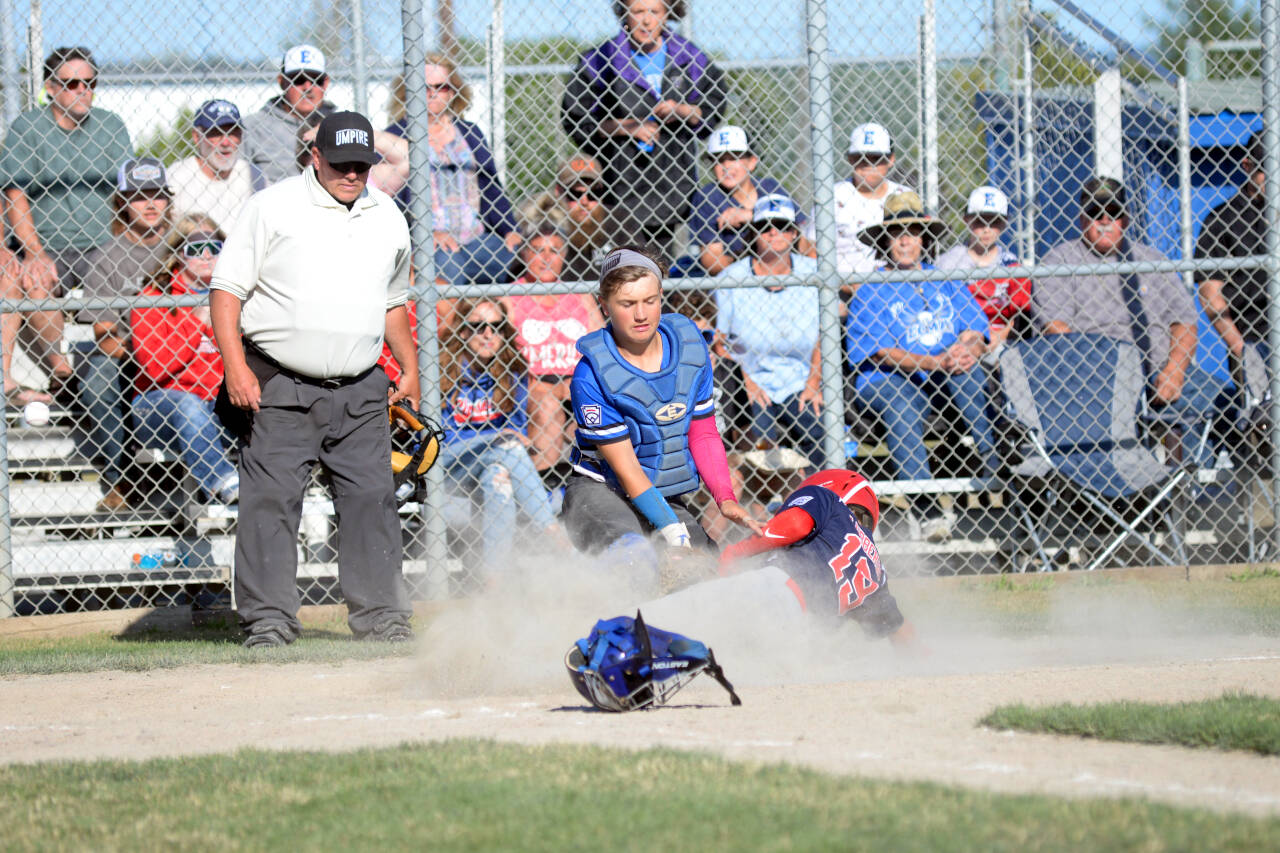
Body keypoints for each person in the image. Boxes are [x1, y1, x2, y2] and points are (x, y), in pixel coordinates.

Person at [210, 111, 418, 648]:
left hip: (360, 385)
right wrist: (235, 368)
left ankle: (382, 618)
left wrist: (410, 364)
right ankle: (269, 622)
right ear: (316, 156)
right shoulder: (272, 207)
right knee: (271, 504)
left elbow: (393, 300)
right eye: (342, 163)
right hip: (280, 382)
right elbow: (226, 292)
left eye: (362, 164)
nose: (353, 173)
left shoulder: (388, 214)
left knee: (373, 500)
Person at [563, 245, 762, 592]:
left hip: (662, 495)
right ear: (604, 304)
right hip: (600, 491)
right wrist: (674, 533)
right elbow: (627, 470)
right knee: (635, 559)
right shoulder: (591, 374)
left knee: (704, 575)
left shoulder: (688, 347)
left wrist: (725, 499)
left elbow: (702, 434)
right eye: (627, 304)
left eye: (650, 300)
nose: (641, 314)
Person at [848, 191, 994, 542]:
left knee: (969, 370)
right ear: (885, 239)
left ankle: (993, 458)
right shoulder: (872, 287)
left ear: (923, 237)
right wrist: (936, 361)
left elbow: (977, 328)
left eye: (913, 231)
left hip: (944, 375)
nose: (905, 240)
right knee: (901, 401)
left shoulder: (943, 278)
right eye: (897, 232)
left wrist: (965, 348)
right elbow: (879, 351)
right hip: (888, 379)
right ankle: (927, 510)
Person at [641, 469, 915, 647]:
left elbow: (795, 524)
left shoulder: (827, 498)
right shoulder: (875, 570)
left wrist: (732, 554)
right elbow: (895, 628)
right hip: (800, 635)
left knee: (659, 621)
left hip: (779, 589)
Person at [0, 46, 132, 396]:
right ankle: (64, 372)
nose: (82, 91)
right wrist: (34, 252)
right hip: (48, 242)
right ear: (51, 88)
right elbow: (16, 194)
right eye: (71, 83)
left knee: (123, 274)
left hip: (102, 242)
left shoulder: (110, 125)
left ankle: (123, 375)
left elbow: (128, 193)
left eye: (89, 83)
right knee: (35, 277)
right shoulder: (29, 127)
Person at [1035, 177, 1220, 414]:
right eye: (1095, 212)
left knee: (1221, 401)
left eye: (1114, 213)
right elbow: (1056, 327)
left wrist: (1174, 371)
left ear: (1126, 220)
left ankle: (1198, 452)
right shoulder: (1058, 262)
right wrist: (1106, 374)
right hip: (1092, 378)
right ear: (1082, 219)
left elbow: (1184, 321)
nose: (1105, 221)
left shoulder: (1151, 260)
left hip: (1156, 371)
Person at [561, 0, 728, 254]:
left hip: (673, 179)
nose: (647, 20)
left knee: (663, 264)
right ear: (623, 14)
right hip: (621, 183)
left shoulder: (687, 56)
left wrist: (682, 110)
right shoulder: (602, 59)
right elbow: (576, 119)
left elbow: (714, 104)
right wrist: (626, 127)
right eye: (638, 11)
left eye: (655, 11)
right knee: (627, 262)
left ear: (667, 14)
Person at [439, 298, 569, 570]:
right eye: (478, 326)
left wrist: (500, 442)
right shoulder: (444, 369)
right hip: (451, 464)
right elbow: (443, 439)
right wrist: (495, 440)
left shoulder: (513, 370)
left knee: (498, 480)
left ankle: (494, 584)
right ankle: (557, 538)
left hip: (498, 459)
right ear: (462, 331)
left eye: (496, 327)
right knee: (507, 446)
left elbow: (517, 429)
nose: (488, 334)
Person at [76, 157, 175, 512]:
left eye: (158, 194)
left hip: (187, 348)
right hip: (128, 354)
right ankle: (121, 477)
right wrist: (146, 354)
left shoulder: (185, 245)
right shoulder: (107, 256)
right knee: (97, 383)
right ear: (121, 202)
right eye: (138, 195)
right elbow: (104, 333)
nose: (150, 204)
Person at [384, 53, 522, 285]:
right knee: (448, 264)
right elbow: (391, 202)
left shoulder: (470, 132)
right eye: (424, 87)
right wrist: (424, 235)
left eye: (442, 87)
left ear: (454, 90)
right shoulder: (395, 135)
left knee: (516, 257)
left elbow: (491, 188)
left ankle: (493, 320)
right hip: (430, 244)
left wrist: (510, 229)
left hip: (477, 238)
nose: (433, 93)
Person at [129, 216, 239, 505]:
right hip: (157, 405)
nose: (206, 256)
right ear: (178, 253)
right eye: (195, 248)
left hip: (218, 403)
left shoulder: (235, 295)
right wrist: (196, 322)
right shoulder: (154, 296)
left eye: (214, 247)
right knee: (187, 403)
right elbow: (155, 368)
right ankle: (222, 482)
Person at [714, 195, 823, 469]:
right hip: (752, 381)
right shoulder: (732, 278)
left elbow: (825, 335)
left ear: (794, 233)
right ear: (754, 233)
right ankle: (763, 505)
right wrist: (745, 382)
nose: (774, 232)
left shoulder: (814, 273)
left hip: (799, 380)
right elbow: (719, 343)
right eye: (765, 226)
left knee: (819, 429)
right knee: (757, 445)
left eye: (782, 225)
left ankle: (817, 501)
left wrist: (815, 381)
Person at [502, 222, 605, 473]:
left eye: (555, 250)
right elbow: (505, 359)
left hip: (577, 384)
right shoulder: (509, 298)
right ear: (524, 253)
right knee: (547, 407)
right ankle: (544, 487)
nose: (547, 258)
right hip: (533, 385)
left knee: (596, 414)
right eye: (538, 250)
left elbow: (602, 349)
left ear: (564, 255)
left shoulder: (579, 295)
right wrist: (541, 385)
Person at [689, 125, 812, 277]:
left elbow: (804, 244)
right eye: (719, 160)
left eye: (734, 158)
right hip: (736, 279)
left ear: (752, 162)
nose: (726, 166)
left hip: (784, 271)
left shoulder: (770, 188)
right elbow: (712, 262)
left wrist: (751, 216)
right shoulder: (707, 197)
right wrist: (753, 268)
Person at [1196, 131, 1269, 360]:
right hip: (1254, 339)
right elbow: (1209, 292)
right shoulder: (1222, 219)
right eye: (1265, 170)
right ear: (1247, 166)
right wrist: (1241, 349)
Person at [934, 185, 1032, 351]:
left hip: (1003, 338)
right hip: (961, 338)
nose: (986, 229)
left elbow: (1021, 316)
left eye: (994, 222)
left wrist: (999, 337)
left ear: (1004, 223)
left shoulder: (1011, 264)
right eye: (980, 221)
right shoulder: (948, 263)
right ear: (967, 220)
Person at [240, 44, 336, 187]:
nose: (308, 87)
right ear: (282, 82)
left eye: (316, 79)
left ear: (326, 83)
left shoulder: (340, 124)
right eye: (298, 79)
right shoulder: (253, 126)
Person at [167, 99, 266, 232]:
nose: (225, 142)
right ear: (197, 137)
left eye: (232, 132)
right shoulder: (177, 177)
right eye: (216, 132)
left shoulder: (253, 175)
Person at [518, 155, 615, 282]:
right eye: (575, 194)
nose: (584, 201)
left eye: (594, 193)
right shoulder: (546, 228)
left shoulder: (620, 222)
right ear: (559, 192)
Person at [835, 121, 912, 281]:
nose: (869, 164)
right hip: (840, 290)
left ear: (891, 159)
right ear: (850, 159)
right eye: (861, 157)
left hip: (895, 286)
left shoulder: (904, 196)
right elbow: (811, 250)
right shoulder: (832, 196)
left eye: (876, 158)